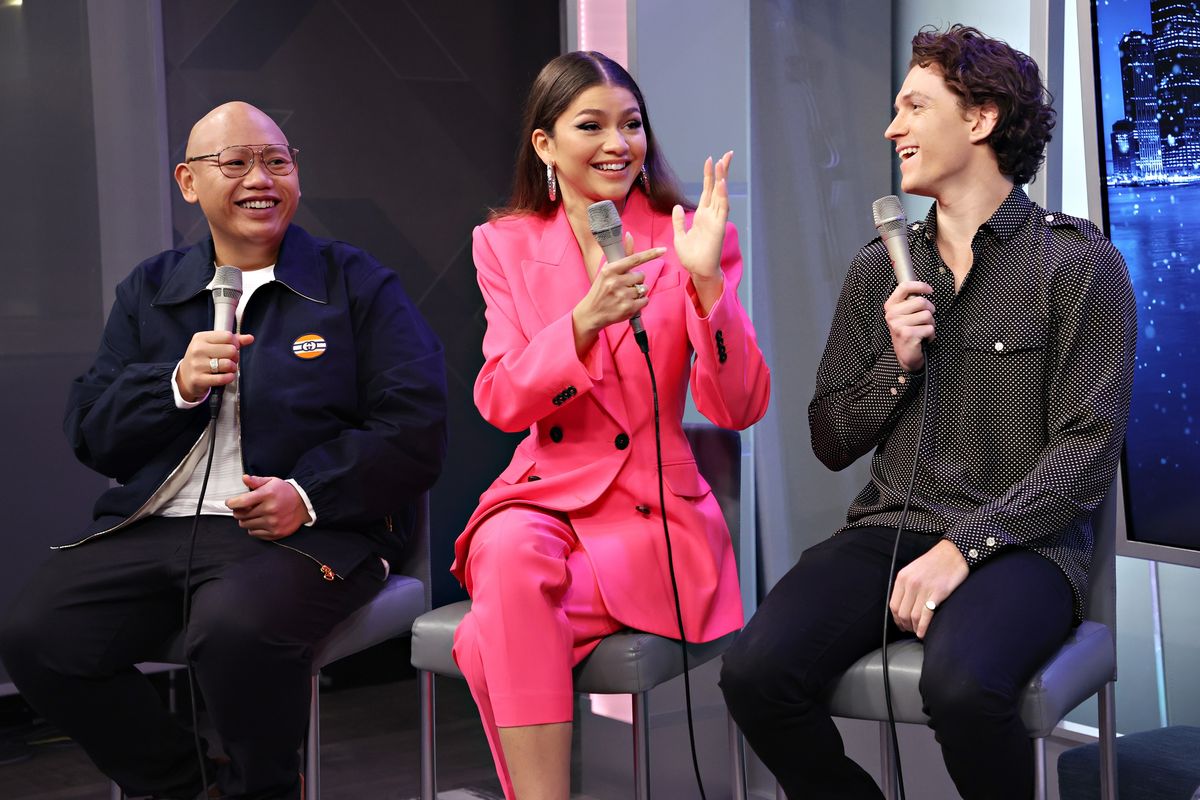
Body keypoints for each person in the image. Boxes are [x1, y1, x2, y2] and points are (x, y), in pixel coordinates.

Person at [720, 24, 1136, 800]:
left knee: (962, 686)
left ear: (979, 119)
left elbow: (1086, 451)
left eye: (913, 107)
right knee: (753, 672)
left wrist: (965, 547)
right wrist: (896, 364)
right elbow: (829, 438)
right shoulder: (878, 266)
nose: (891, 128)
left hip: (1026, 546)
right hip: (889, 528)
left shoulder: (1080, 264)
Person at [0, 101, 447, 800]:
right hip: (158, 527)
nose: (259, 178)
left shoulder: (355, 285)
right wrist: (174, 385)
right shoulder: (152, 291)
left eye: (276, 161)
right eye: (233, 162)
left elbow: (416, 424)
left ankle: (265, 789)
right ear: (188, 181)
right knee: (36, 634)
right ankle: (187, 786)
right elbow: (90, 428)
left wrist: (306, 496)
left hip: (313, 532)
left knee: (234, 628)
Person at [450, 51, 770, 800]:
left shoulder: (688, 233)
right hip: (541, 493)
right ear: (545, 145)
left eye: (630, 124)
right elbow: (500, 400)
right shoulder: (505, 243)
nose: (617, 143)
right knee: (505, 553)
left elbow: (739, 407)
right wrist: (583, 323)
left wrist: (705, 286)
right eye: (590, 125)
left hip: (654, 511)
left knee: (488, 630)